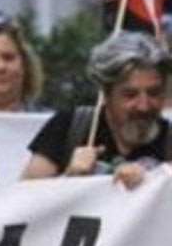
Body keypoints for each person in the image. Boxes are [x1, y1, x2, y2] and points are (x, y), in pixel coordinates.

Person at [22, 32, 171, 189]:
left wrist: (155, 181)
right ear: (106, 94)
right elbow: (25, 201)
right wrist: (68, 177)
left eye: (154, 93)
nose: (144, 106)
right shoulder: (70, 127)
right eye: (130, 95)